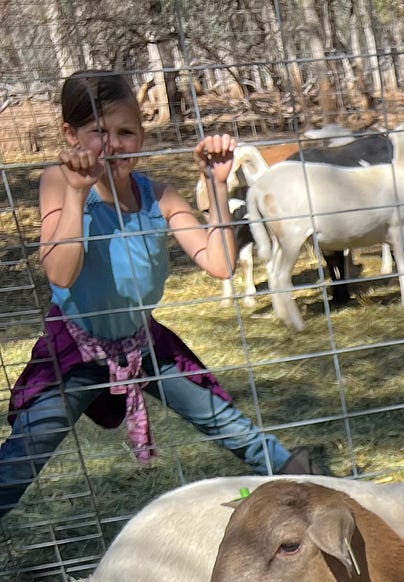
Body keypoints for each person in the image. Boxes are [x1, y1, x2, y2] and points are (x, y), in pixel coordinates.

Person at [0, 70, 314, 521]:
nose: (114, 145)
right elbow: (61, 273)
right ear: (70, 135)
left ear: (142, 135)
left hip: (141, 342)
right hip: (76, 346)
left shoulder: (159, 196)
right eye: (98, 133)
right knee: (26, 451)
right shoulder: (58, 182)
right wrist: (76, 194)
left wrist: (217, 184)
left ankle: (307, 489)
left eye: (126, 132)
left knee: (225, 421)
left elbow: (221, 264)